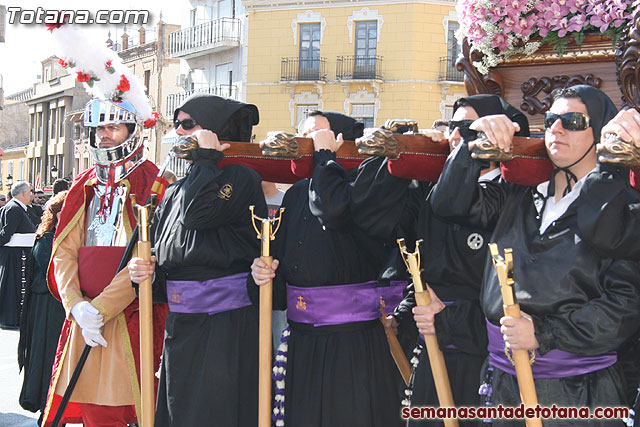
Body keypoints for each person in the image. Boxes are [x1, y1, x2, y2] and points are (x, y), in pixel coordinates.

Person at [429, 85, 640, 426]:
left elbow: (625, 306)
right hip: (502, 383)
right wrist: (473, 148)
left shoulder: (620, 209)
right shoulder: (520, 196)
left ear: (600, 129)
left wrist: (546, 333)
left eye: (572, 121)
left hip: (576, 394)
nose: (556, 129)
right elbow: (448, 205)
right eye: (552, 119)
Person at [351, 95, 530, 426]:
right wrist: (402, 154)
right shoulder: (431, 187)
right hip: (431, 341)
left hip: (481, 349)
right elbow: (375, 219)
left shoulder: (515, 196)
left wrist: (449, 319)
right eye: (453, 126)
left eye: (468, 127)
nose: (456, 136)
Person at [250, 112, 404, 427]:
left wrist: (325, 160)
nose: (310, 146)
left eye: (320, 138)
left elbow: (332, 210)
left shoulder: (363, 185)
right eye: (307, 138)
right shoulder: (294, 194)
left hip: (352, 343)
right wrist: (262, 275)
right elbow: (280, 285)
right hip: (302, 341)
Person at [128, 94, 265, 426]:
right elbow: (170, 263)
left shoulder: (242, 177)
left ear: (215, 131)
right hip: (182, 327)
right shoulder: (175, 190)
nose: (177, 132)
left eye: (188, 124)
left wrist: (206, 158)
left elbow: (197, 216)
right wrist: (142, 273)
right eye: (176, 124)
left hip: (225, 326)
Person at [42, 97, 168, 427]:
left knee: (133, 409)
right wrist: (78, 307)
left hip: (129, 316)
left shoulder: (153, 183)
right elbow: (64, 252)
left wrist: (101, 310)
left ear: (132, 131)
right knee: (91, 412)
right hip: (83, 318)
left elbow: (149, 258)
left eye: (113, 127)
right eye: (100, 129)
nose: (104, 136)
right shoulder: (83, 184)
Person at [18, 190, 68, 425]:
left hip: (59, 304)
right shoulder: (47, 238)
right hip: (47, 305)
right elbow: (53, 271)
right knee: (47, 357)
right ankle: (47, 410)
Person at [0, 181, 37, 329]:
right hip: (15, 255)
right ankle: (11, 319)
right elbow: (6, 234)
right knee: (13, 288)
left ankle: (14, 318)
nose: (32, 195)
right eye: (30, 192)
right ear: (22, 193)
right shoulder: (14, 209)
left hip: (18, 253)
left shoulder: (19, 208)